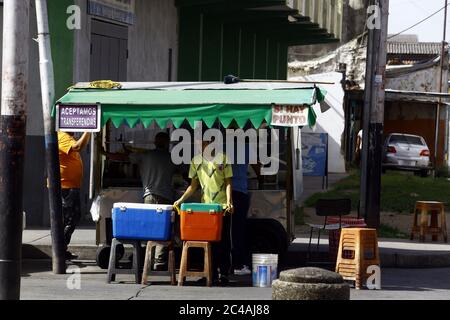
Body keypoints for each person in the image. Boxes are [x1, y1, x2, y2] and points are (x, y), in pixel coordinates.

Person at [105, 132, 178, 271]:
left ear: (155, 142)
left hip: (149, 197)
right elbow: (184, 172)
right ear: (167, 143)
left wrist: (105, 153)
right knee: (163, 229)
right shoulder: (171, 158)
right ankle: (159, 261)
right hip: (167, 197)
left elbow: (123, 157)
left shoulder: (146, 156)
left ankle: (147, 260)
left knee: (150, 229)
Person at [174, 136, 234, 285]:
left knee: (224, 241)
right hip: (206, 209)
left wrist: (229, 202)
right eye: (200, 144)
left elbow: (228, 183)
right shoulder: (196, 161)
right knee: (208, 242)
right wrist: (181, 200)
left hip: (222, 208)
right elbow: (193, 186)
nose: (202, 146)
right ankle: (210, 274)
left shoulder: (223, 158)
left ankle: (224, 274)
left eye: (205, 143)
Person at [58, 131, 91, 260]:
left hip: (70, 186)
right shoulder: (62, 137)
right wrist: (89, 130)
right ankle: (60, 248)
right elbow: (77, 147)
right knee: (70, 218)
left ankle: (61, 248)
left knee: (70, 218)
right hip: (65, 187)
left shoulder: (68, 137)